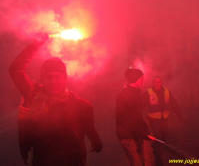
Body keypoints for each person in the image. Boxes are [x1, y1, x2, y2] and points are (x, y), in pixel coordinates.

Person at [9, 33, 102, 166]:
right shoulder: (33, 96)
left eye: (58, 76)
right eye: (49, 77)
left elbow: (89, 127)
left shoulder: (80, 105)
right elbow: (16, 70)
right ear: (42, 79)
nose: (54, 81)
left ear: (65, 79)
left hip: (72, 162)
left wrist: (96, 142)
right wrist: (36, 44)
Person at [116, 68, 154, 166]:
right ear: (135, 79)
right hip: (128, 136)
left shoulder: (134, 94)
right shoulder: (129, 95)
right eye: (141, 78)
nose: (143, 80)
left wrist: (145, 130)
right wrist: (143, 132)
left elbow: (137, 115)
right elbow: (129, 118)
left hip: (135, 135)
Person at [143, 76, 183, 166]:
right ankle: (159, 161)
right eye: (155, 82)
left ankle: (156, 147)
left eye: (158, 82)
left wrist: (179, 115)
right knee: (158, 138)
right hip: (153, 120)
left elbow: (173, 103)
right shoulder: (148, 93)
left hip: (164, 119)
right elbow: (141, 105)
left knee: (164, 137)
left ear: (161, 83)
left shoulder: (167, 91)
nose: (157, 84)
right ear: (152, 83)